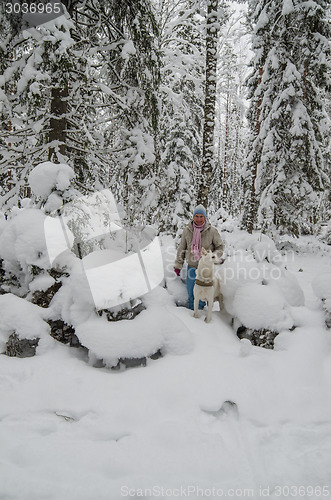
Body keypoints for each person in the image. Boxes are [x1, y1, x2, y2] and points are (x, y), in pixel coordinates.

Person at [174, 205, 225, 310]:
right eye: (196, 216)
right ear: (193, 217)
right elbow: (182, 248)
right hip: (192, 267)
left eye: (201, 216)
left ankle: (200, 314)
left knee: (203, 295)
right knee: (192, 294)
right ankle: (192, 315)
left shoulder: (212, 231)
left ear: (205, 217)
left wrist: (212, 256)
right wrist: (178, 264)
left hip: (205, 269)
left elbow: (220, 246)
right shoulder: (187, 231)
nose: (198, 219)